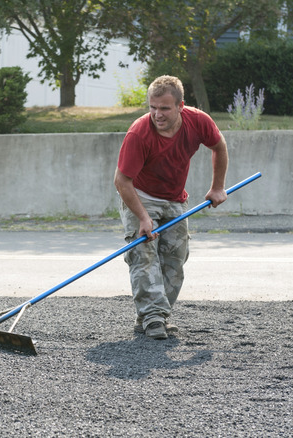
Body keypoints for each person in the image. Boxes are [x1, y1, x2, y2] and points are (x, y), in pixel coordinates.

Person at [114, 75, 229, 340]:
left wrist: (217, 187)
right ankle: (154, 317)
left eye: (164, 108)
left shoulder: (198, 121)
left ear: (181, 106)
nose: (157, 114)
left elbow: (218, 146)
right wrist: (143, 218)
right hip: (140, 195)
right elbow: (122, 181)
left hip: (175, 198)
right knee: (143, 254)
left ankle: (152, 316)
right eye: (152, 107)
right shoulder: (139, 133)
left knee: (175, 260)